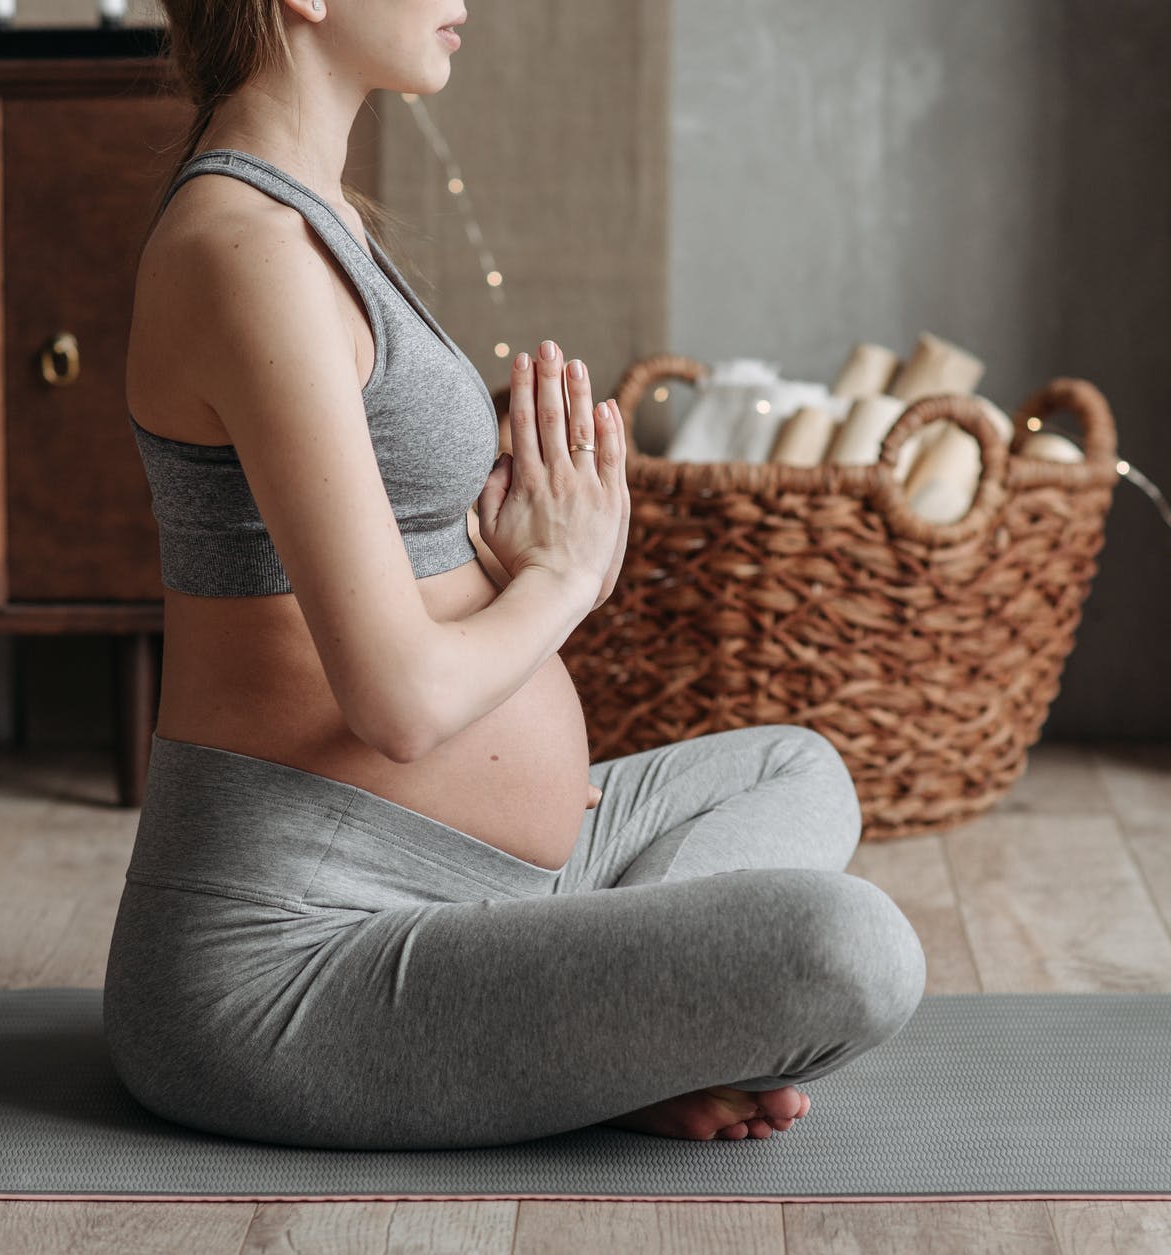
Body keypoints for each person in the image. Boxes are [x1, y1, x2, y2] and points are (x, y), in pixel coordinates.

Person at [102, 0, 927, 1151]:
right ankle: (608, 1029)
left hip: (488, 883)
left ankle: (597, 1021)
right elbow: (395, 701)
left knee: (799, 768)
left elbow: (364, 567)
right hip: (295, 959)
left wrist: (491, 563)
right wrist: (565, 577)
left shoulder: (314, 216)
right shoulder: (246, 253)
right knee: (850, 950)